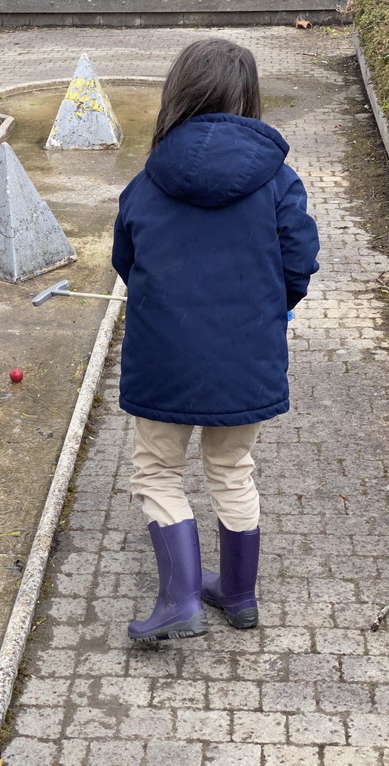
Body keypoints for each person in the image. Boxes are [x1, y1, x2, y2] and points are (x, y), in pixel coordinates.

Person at [111, 37, 320, 643]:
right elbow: (299, 263)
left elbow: (128, 260)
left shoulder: (147, 181)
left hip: (163, 358)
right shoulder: (278, 180)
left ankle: (181, 601)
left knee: (157, 472)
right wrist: (266, 312)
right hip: (246, 358)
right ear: (247, 96)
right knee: (232, 467)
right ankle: (237, 593)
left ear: (177, 93)